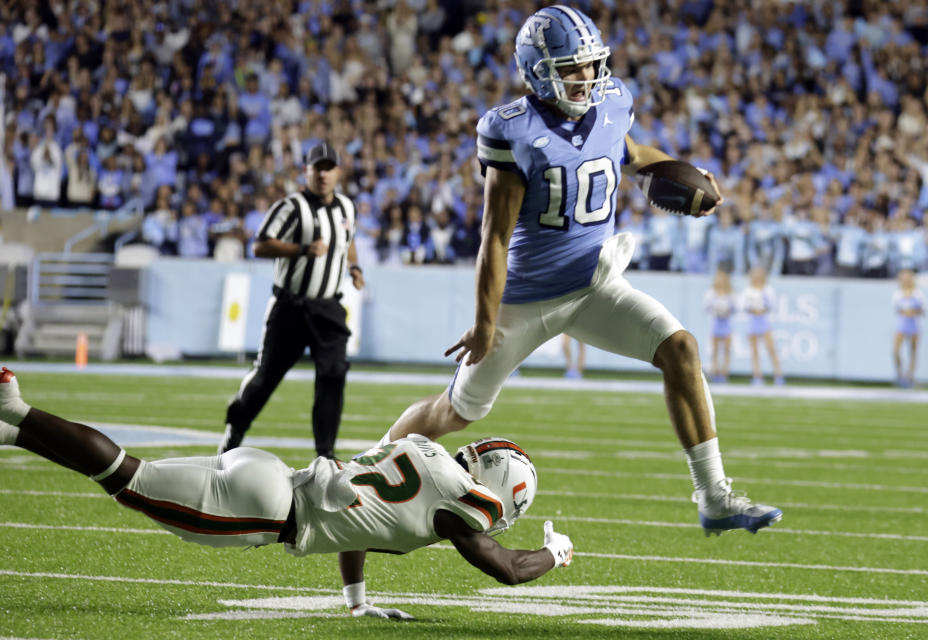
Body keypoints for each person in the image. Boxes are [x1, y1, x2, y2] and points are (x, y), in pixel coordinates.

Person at [380, 6, 781, 536]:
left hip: (594, 284)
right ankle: (370, 468)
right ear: (538, 71)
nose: (586, 77)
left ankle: (714, 497)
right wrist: (483, 321)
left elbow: (632, 155)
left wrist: (675, 174)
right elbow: (495, 238)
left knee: (680, 348)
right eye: (571, 68)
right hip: (524, 301)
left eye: (591, 65)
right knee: (454, 414)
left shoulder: (613, 104)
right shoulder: (514, 131)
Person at [0, 367, 573, 620]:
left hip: (270, 473)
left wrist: (356, 601)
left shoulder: (421, 451)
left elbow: (365, 525)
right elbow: (507, 569)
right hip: (266, 511)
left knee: (129, 472)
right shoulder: (465, 509)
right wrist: (558, 553)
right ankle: (17, 411)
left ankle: (12, 429)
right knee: (127, 477)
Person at [219, 143, 365, 460]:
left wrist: (354, 267)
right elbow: (259, 245)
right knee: (265, 378)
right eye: (318, 168)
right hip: (291, 307)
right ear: (306, 171)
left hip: (328, 306)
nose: (323, 174)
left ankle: (325, 454)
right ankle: (235, 430)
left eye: (329, 168)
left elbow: (347, 241)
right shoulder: (292, 206)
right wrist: (300, 249)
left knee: (334, 374)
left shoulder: (346, 208)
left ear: (338, 172)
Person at [740, 267, 784, 386]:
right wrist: (753, 310)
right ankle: (757, 376)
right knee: (754, 351)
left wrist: (762, 310)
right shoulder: (748, 290)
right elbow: (743, 305)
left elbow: (772, 304)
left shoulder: (768, 290)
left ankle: (778, 375)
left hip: (764, 320)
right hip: (753, 321)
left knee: (771, 349)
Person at [892, 269, 924, 388]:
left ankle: (910, 376)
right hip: (902, 323)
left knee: (913, 351)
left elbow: (923, 309)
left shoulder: (918, 293)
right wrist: (906, 312)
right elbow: (897, 310)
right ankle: (900, 374)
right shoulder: (898, 293)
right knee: (896, 350)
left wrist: (912, 312)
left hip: (914, 323)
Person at [703, 270, 735, 383]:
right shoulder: (711, 293)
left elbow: (735, 307)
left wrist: (727, 310)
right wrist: (715, 309)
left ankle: (724, 373)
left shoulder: (730, 293)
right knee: (715, 350)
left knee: (726, 349)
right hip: (716, 322)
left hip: (726, 323)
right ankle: (715, 371)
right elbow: (706, 307)